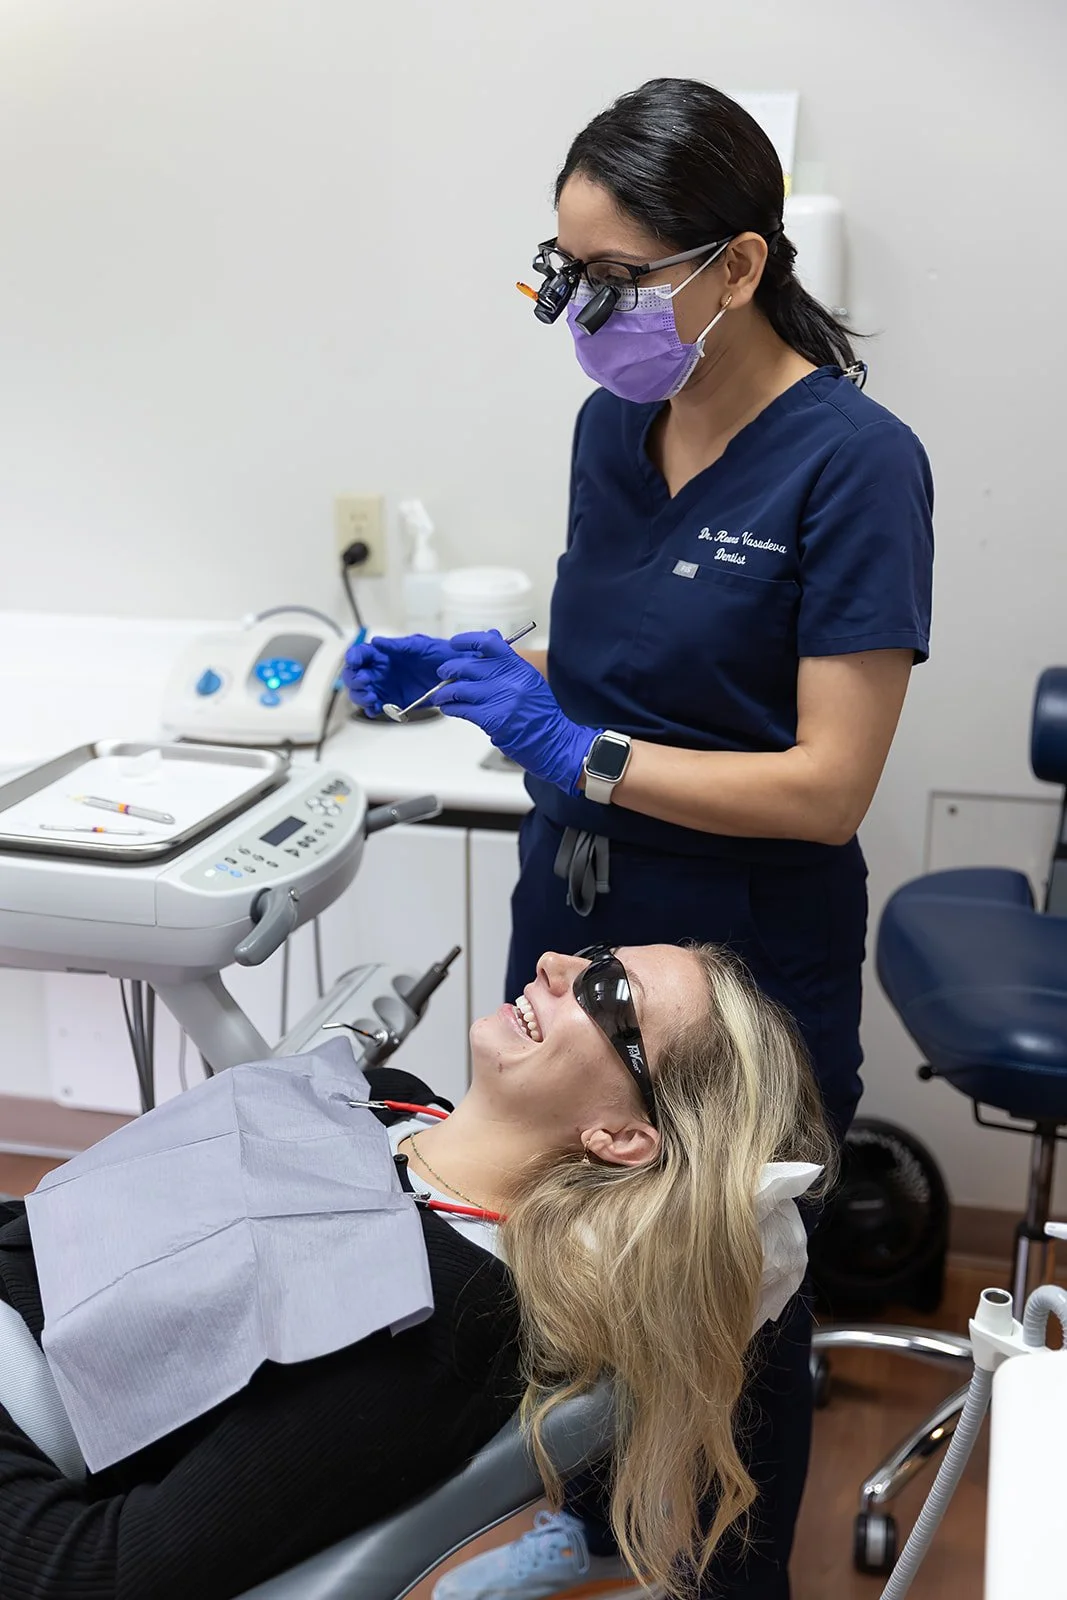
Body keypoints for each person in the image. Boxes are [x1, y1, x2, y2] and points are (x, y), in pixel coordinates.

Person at [344, 78, 933, 1600]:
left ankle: (728, 1576)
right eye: (564, 270)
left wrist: (578, 751)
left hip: (732, 973)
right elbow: (622, 679)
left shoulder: (853, 467)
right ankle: (588, 1532)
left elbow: (823, 784)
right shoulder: (614, 426)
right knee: (565, 1262)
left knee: (726, 1317)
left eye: (614, 277)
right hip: (581, 910)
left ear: (735, 267)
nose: (582, 309)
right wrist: (485, 673)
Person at [0, 943, 831, 1600]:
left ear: (621, 1137)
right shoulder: (387, 1102)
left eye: (607, 992)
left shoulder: (436, 1317)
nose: (553, 965)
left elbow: (83, 1574)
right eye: (593, 954)